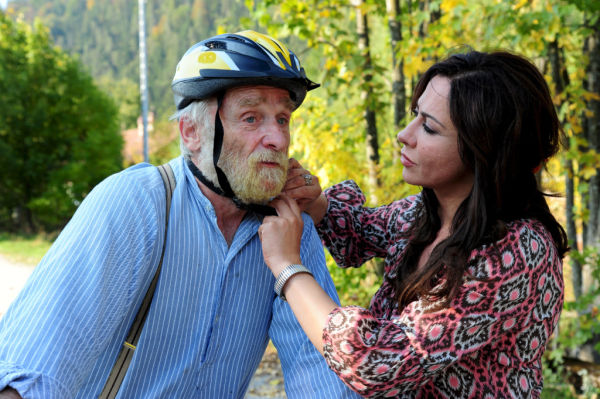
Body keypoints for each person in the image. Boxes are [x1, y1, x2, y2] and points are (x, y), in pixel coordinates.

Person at [0, 30, 359, 398]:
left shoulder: (288, 227)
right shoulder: (138, 203)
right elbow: (35, 364)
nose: (278, 139)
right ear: (191, 132)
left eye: (282, 119)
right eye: (251, 118)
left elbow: (319, 370)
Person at [259, 50, 569, 398]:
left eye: (430, 128)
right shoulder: (426, 212)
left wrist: (287, 267)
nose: (404, 135)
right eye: (415, 115)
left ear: (485, 152)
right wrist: (314, 204)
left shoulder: (518, 252)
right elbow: (359, 228)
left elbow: (378, 363)